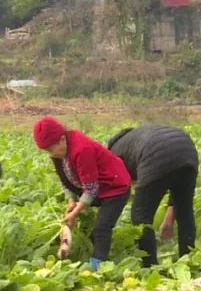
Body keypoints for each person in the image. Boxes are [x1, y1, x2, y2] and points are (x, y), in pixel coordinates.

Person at [34, 116, 132, 271]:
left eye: (51, 149)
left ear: (61, 139)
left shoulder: (81, 149)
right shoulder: (58, 152)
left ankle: (97, 269)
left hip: (115, 186)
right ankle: (90, 254)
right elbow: (64, 179)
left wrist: (74, 214)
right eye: (47, 151)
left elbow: (91, 189)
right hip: (97, 187)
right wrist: (71, 201)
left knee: (102, 227)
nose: (51, 154)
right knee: (92, 226)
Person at [107, 124, 199, 265]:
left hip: (156, 152)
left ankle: (150, 266)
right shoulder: (135, 138)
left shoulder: (113, 153)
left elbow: (121, 183)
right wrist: (168, 221)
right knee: (185, 212)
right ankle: (188, 261)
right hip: (187, 150)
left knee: (140, 216)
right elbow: (177, 191)